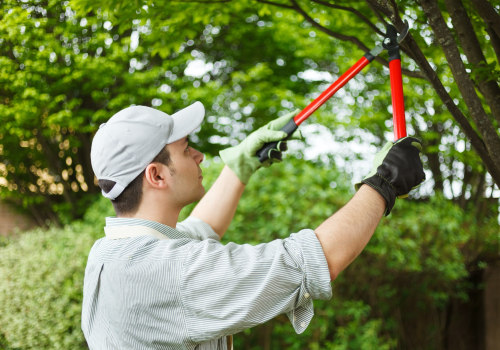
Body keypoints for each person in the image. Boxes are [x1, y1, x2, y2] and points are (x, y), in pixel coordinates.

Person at [82, 101, 425, 349]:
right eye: (187, 150)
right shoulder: (168, 271)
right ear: (156, 175)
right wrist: (384, 184)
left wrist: (242, 164)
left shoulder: (115, 252)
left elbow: (202, 227)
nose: (199, 155)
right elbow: (309, 261)